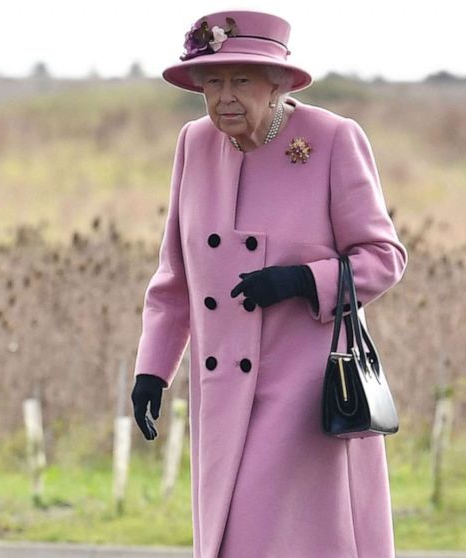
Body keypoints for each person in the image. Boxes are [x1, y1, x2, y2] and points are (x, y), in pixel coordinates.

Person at [130, 10, 408, 558]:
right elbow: (174, 279)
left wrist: (303, 281)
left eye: (241, 81)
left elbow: (383, 257)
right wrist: (152, 372)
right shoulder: (194, 144)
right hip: (222, 390)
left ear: (278, 83)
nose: (224, 97)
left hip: (301, 392)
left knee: (273, 536)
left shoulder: (332, 139)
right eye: (212, 81)